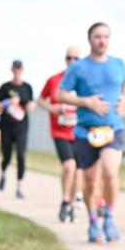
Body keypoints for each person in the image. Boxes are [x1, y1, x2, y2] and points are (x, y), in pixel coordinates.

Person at [58, 22, 125, 244]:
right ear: (90, 40)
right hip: (86, 131)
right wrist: (85, 102)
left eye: (106, 37)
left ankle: (108, 215)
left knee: (110, 172)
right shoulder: (78, 68)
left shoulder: (119, 63)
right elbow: (61, 94)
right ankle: (92, 221)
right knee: (90, 182)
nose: (102, 40)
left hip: (113, 128)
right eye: (98, 37)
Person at [39, 47, 84, 222]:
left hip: (79, 131)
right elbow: (41, 100)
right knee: (69, 166)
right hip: (59, 131)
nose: (72, 61)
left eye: (76, 58)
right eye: (68, 58)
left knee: (79, 172)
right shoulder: (54, 80)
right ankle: (65, 200)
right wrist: (52, 108)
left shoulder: (84, 81)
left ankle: (72, 204)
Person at [0, 61, 36, 198]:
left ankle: (19, 187)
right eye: (15, 69)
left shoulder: (27, 87)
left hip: (21, 126)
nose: (17, 71)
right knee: (6, 154)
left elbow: (31, 104)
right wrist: (7, 102)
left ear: (22, 70)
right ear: (12, 70)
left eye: (19, 69)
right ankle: (3, 172)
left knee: (21, 155)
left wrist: (30, 106)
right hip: (6, 125)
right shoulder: (5, 87)